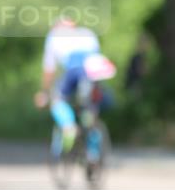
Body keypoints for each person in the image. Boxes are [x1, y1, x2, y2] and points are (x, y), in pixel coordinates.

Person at [34, 17, 116, 162]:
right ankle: (93, 152)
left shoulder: (54, 37)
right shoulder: (88, 33)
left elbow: (49, 70)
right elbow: (96, 59)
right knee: (89, 108)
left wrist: (44, 92)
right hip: (92, 71)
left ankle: (68, 126)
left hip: (73, 70)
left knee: (57, 99)